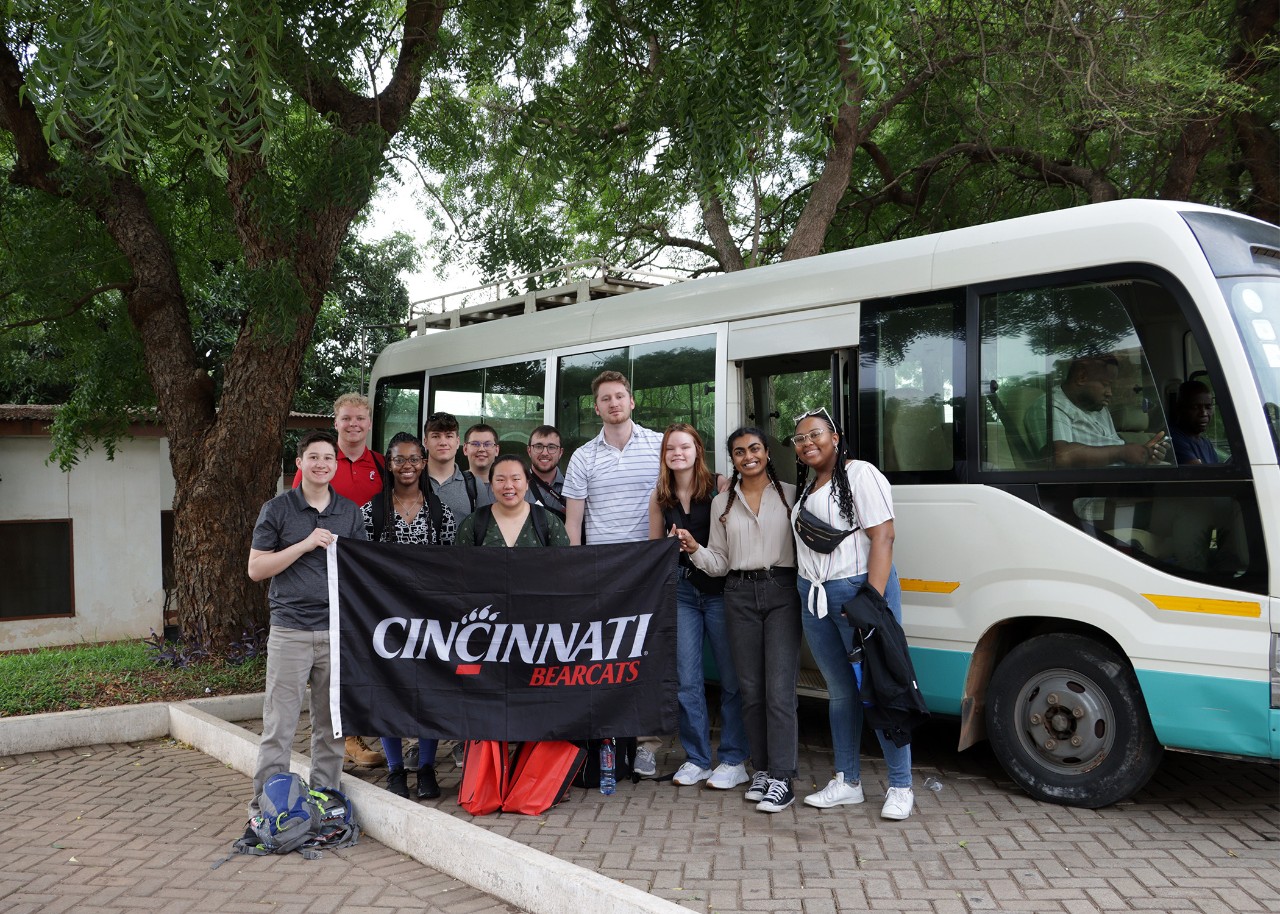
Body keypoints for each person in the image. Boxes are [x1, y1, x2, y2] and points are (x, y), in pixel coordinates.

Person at [790, 406, 915, 820]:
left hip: (856, 592)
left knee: (880, 687)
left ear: (835, 438)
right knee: (841, 692)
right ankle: (847, 781)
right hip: (815, 597)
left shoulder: (861, 474)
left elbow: (884, 537)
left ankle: (900, 786)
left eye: (815, 435)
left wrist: (872, 603)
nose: (808, 443)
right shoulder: (808, 487)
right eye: (800, 439)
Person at [677, 427, 801, 813]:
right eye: (739, 451)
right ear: (731, 458)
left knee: (778, 689)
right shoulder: (721, 503)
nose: (748, 456)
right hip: (738, 593)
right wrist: (695, 549)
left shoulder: (792, 494)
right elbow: (717, 563)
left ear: (766, 452)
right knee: (750, 689)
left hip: (782, 591)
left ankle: (782, 777)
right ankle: (761, 769)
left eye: (755, 449)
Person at [246, 431, 367, 824]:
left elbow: (361, 569)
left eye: (328, 458)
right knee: (279, 726)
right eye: (313, 457)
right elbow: (256, 569)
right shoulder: (278, 509)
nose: (321, 464)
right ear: (299, 464)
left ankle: (324, 799)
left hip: (335, 632)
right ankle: (268, 808)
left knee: (331, 726)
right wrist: (304, 544)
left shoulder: (349, 512)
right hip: (290, 631)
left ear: (336, 464)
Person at [562, 370, 664, 777]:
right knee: (610, 658)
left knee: (650, 657)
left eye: (620, 396)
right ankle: (609, 741)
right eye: (606, 398)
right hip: (602, 574)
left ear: (632, 401)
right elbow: (574, 524)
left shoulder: (658, 446)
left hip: (650, 571)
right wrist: (574, 573)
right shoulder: (583, 457)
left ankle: (648, 747)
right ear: (597, 406)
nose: (614, 403)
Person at [647, 424, 749, 790]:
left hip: (722, 592)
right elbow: (653, 550)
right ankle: (698, 758)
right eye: (671, 447)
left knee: (732, 680)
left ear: (697, 450)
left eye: (684, 446)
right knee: (686, 681)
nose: (677, 452)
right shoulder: (661, 496)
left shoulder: (720, 486)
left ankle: (735, 757)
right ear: (665, 454)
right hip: (684, 595)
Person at [290, 392, 386, 767]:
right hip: (322, 572)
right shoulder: (320, 462)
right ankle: (347, 738)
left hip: (365, 574)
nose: (354, 425)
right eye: (346, 419)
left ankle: (359, 728)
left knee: (363, 652)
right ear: (336, 422)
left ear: (368, 422)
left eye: (360, 419)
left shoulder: (379, 463)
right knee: (336, 657)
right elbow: (300, 511)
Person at [361, 432, 458, 800]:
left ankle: (428, 766)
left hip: (429, 620)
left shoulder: (440, 512)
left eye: (414, 459)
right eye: (399, 459)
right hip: (385, 620)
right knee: (390, 693)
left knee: (427, 693)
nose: (407, 466)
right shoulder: (371, 512)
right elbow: (360, 567)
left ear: (423, 462)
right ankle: (396, 769)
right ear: (389, 463)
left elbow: (450, 567)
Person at [1024, 356, 1169, 468]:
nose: (1110, 393)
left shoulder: (1098, 409)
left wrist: (1145, 457)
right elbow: (1060, 456)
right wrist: (1122, 452)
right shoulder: (1051, 406)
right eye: (1106, 385)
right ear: (1082, 377)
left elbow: (1112, 448)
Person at [454, 454, 570, 547]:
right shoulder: (472, 523)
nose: (508, 485)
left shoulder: (550, 522)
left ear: (527, 484)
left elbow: (561, 568)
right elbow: (461, 569)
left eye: (516, 479)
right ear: (492, 486)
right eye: (500, 480)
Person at [423, 411, 489, 522]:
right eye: (436, 436)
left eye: (449, 436)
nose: (443, 442)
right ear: (426, 442)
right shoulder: (412, 480)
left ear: (458, 442)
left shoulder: (474, 484)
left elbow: (484, 529)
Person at [1170, 380, 1220, 465]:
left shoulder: (1205, 442)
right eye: (1195, 407)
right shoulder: (1173, 439)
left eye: (1208, 407)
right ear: (1179, 409)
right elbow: (1203, 475)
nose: (1204, 413)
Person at [526, 425, 567, 520]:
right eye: (538, 446)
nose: (545, 453)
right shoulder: (516, 488)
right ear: (529, 451)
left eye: (551, 447)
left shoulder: (573, 487)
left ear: (560, 452)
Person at [463, 423, 501, 499]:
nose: (481, 449)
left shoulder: (509, 488)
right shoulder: (455, 485)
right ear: (465, 449)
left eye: (487, 444)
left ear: (496, 450)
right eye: (475, 444)